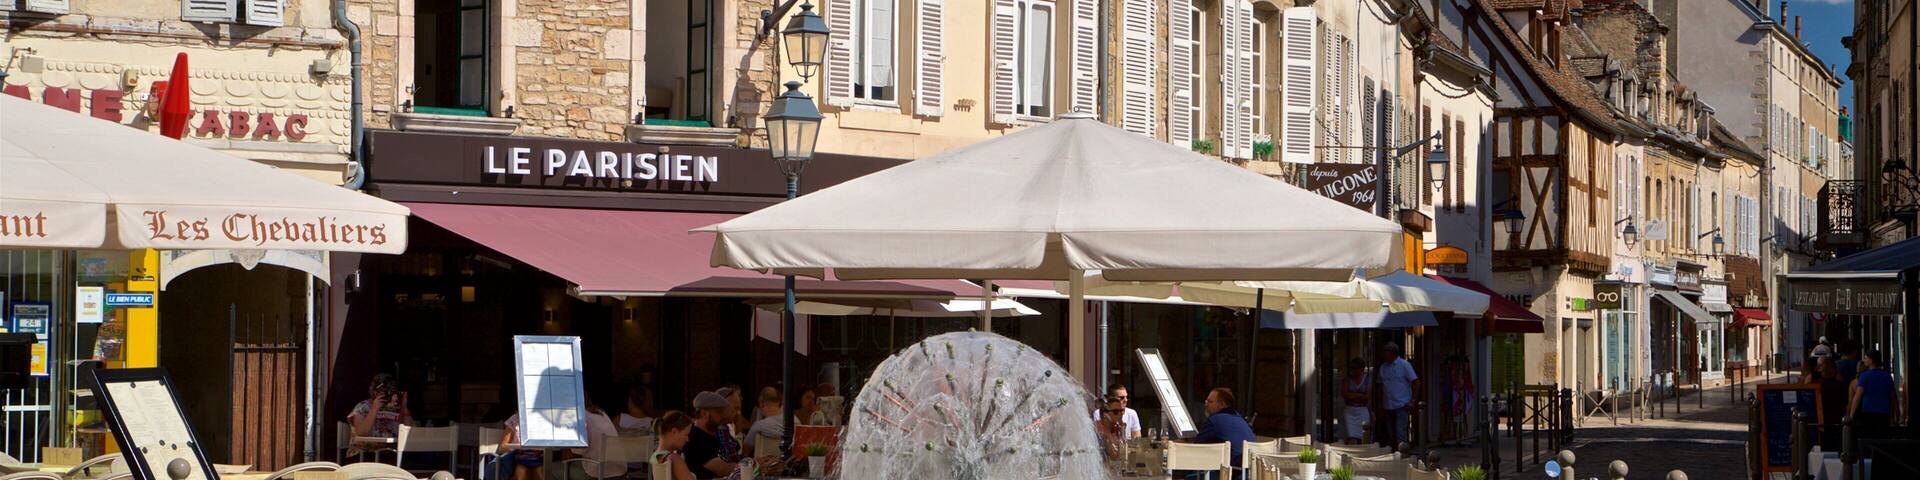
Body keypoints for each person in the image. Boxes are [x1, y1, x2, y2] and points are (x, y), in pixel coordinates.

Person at [1190, 387, 1254, 479]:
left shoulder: (1215, 420)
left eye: (1210, 402)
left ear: (1222, 404)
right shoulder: (1241, 419)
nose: (1206, 405)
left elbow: (1196, 447)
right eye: (1206, 401)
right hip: (1247, 473)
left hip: (1229, 473)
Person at [347, 373, 411, 459]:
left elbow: (410, 432)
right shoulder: (363, 407)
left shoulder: (396, 408)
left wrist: (404, 407)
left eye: (392, 393)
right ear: (375, 392)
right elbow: (361, 433)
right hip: (364, 453)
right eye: (385, 393)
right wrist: (374, 408)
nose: (389, 396)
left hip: (391, 452)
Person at [684, 391, 738, 479]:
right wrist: (753, 466)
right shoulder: (696, 438)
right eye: (719, 412)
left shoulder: (709, 436)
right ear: (704, 414)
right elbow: (722, 469)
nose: (723, 416)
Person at [1846, 350, 1898, 439]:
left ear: (1872, 360)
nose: (1864, 360)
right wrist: (1896, 414)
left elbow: (1857, 397)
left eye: (1866, 358)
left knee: (1868, 439)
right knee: (1882, 439)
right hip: (1884, 414)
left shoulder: (1865, 376)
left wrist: (1851, 415)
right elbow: (1893, 397)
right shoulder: (1887, 376)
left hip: (1868, 413)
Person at [1375, 342, 1418, 449]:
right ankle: (1394, 454)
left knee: (1400, 432)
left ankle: (1404, 455)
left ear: (1391, 353)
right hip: (1388, 405)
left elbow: (1416, 382)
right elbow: (1380, 386)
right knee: (1390, 433)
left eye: (1385, 352)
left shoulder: (1404, 365)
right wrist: (1380, 404)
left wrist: (1412, 400)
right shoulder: (1383, 367)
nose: (1383, 355)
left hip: (1401, 404)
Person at [649, 411, 698, 480]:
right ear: (674, 431)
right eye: (686, 435)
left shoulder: (656, 456)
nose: (687, 439)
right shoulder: (674, 459)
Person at [1816, 356, 1848, 449]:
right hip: (1837, 417)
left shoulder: (1819, 384)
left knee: (1825, 443)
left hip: (1823, 417)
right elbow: (1845, 400)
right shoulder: (1839, 384)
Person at [1340, 358, 1373, 445]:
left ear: (1361, 369)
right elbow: (1344, 394)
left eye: (1356, 368)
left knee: (1364, 435)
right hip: (1350, 410)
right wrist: (1359, 395)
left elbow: (1367, 397)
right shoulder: (1347, 379)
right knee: (1351, 436)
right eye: (1352, 369)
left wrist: (1352, 395)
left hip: (1362, 409)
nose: (1354, 371)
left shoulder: (1367, 380)